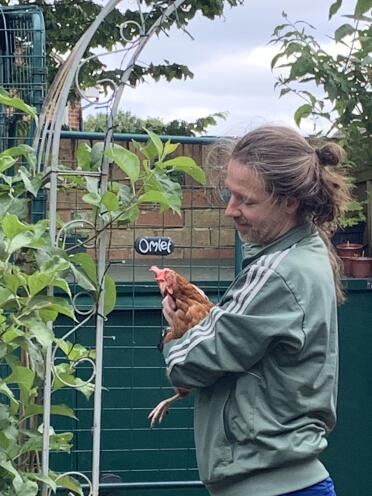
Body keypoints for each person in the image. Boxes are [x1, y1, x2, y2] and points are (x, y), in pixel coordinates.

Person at [161, 126, 351, 496]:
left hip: (272, 486)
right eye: (229, 194)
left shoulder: (277, 271)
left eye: (245, 200)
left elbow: (189, 363)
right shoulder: (304, 254)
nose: (231, 209)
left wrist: (175, 330)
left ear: (288, 202)